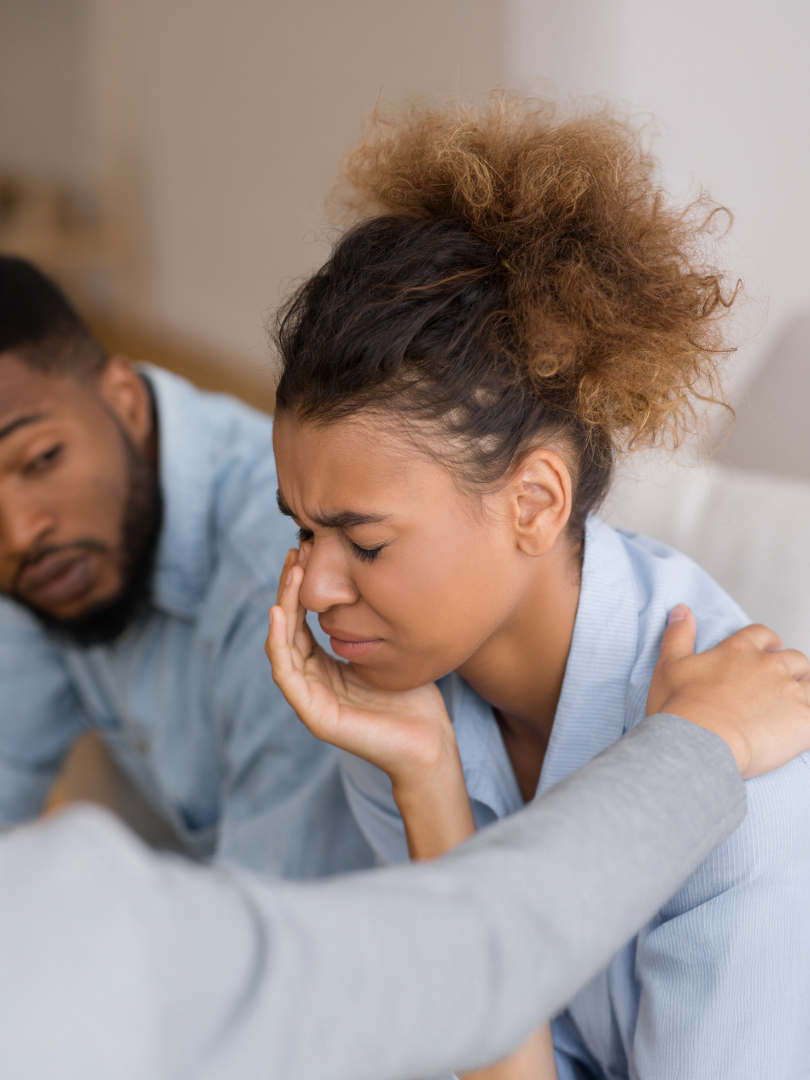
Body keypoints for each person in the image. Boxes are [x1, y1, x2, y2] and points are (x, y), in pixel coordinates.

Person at [0, 443, 810, 1080]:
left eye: (362, 543)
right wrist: (698, 749)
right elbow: (471, 963)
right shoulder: (26, 931)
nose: (318, 587)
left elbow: (468, 979)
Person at [265, 98, 810, 1079]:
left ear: (533, 502)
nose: (314, 589)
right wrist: (427, 782)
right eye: (302, 531)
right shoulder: (399, 694)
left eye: (366, 542)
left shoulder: (750, 786)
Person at [0, 254, 372, 875]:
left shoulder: (287, 577)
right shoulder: (48, 564)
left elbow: (283, 924)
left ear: (124, 400)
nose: (18, 532)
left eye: (41, 459)